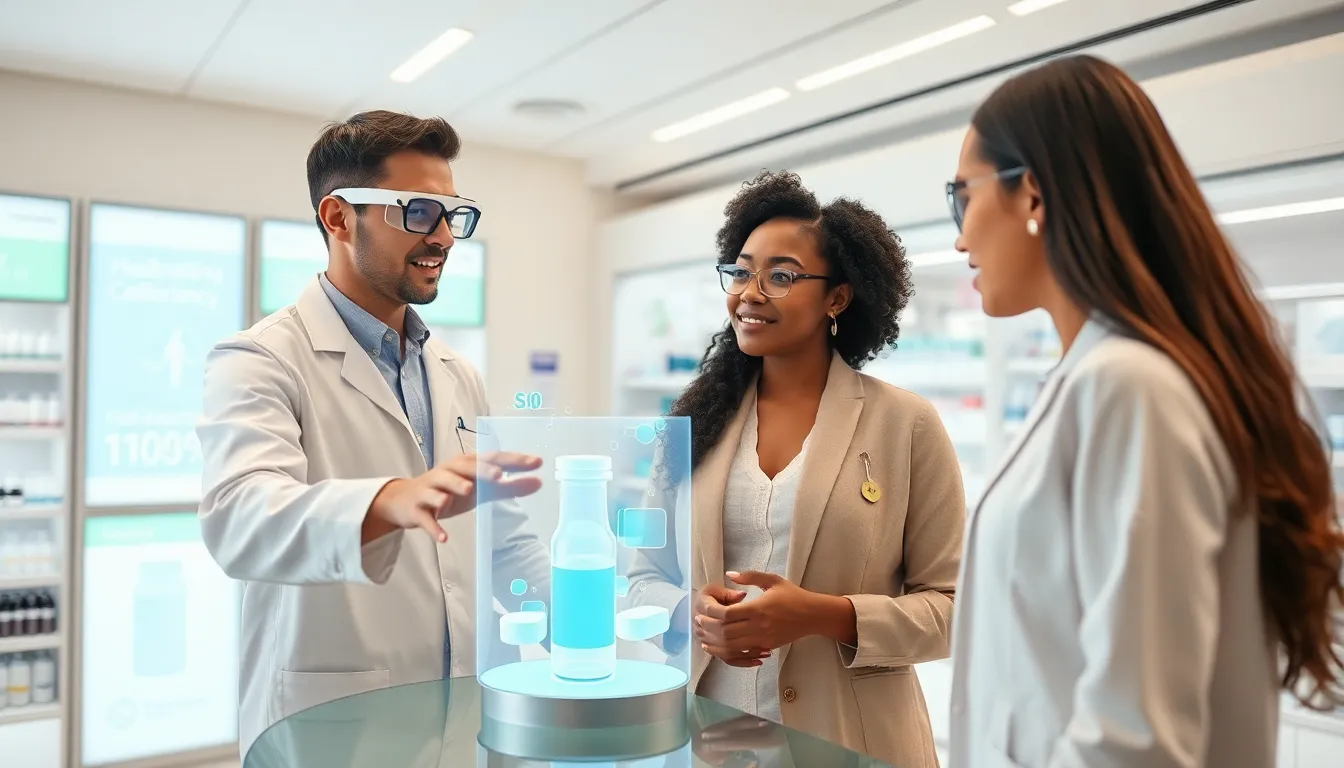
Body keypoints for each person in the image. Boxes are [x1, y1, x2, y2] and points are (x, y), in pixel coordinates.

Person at [945, 55, 1344, 767]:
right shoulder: (1098, 380)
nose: (959, 235)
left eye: (961, 196)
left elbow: (1134, 742)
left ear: (1032, 194)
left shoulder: (1130, 388)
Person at [196, 110, 551, 757]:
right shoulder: (260, 359)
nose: (444, 236)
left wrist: (596, 617)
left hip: (462, 718)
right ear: (338, 217)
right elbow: (238, 519)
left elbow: (505, 544)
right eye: (419, 212)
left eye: (452, 214)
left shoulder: (456, 373)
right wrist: (385, 501)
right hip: (333, 724)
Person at [628, 170, 966, 768]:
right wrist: (691, 614)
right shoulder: (695, 422)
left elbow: (954, 607)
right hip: (714, 739)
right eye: (740, 271)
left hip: (853, 742)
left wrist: (820, 614)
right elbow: (643, 579)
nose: (749, 292)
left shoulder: (905, 424)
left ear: (837, 297)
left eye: (781, 275)